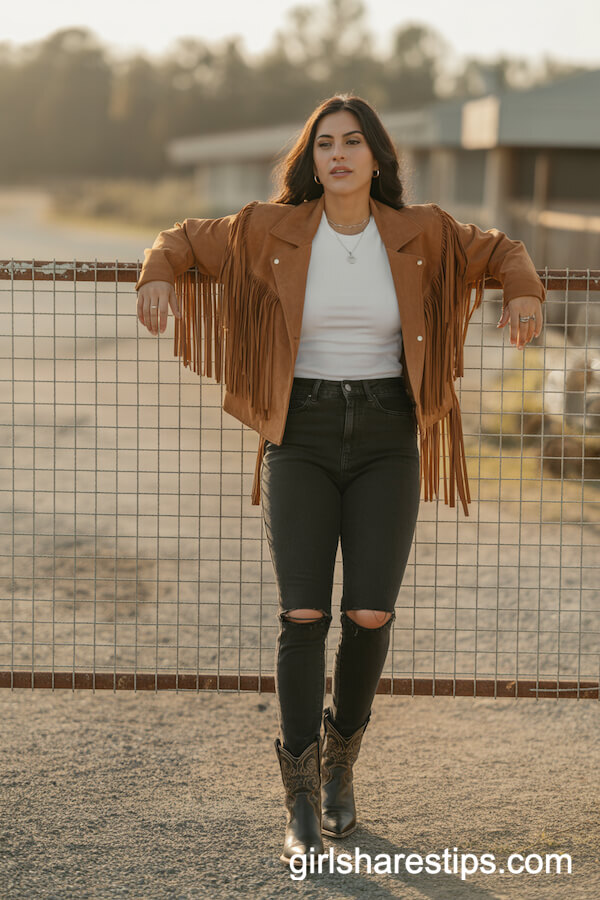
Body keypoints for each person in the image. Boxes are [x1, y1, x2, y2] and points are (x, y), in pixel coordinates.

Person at [135, 94, 545, 867]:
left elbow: (500, 249)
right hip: (302, 431)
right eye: (325, 143)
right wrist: (157, 274)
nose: (339, 154)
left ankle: (340, 766)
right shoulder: (270, 227)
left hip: (390, 432)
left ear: (377, 156)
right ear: (311, 157)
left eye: (354, 142)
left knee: (368, 613)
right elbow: (180, 239)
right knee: (302, 613)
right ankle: (296, 793)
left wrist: (523, 292)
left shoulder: (420, 230)